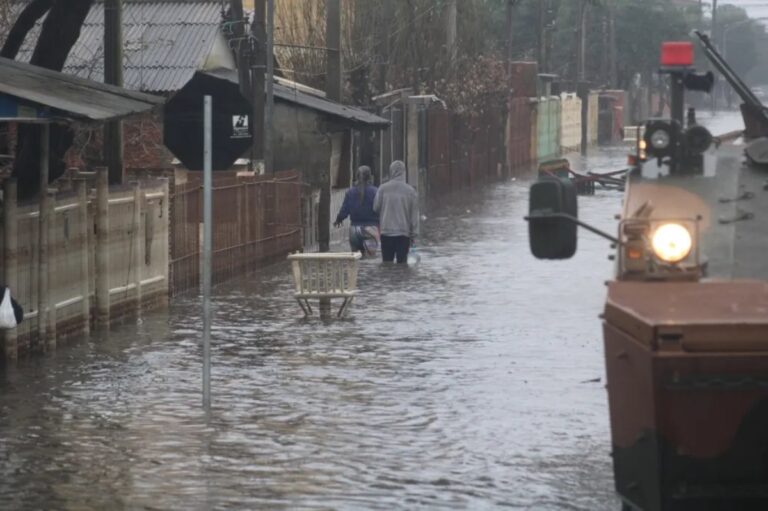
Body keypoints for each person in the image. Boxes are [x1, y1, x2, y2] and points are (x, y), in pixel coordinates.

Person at [373, 160, 419, 264]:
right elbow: (414, 216)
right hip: (403, 235)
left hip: (386, 233)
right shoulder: (410, 191)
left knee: (387, 264)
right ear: (404, 172)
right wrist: (414, 235)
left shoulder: (382, 188)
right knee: (402, 267)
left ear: (391, 171)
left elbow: (375, 207)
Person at [334, 165, 380, 257]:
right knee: (370, 263)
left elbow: (344, 210)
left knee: (356, 262)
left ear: (356, 176)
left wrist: (338, 219)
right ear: (370, 177)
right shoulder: (375, 192)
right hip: (371, 230)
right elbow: (379, 209)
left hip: (354, 230)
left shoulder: (350, 192)